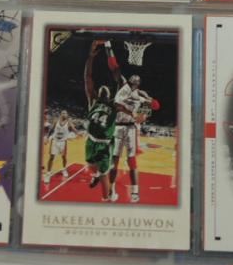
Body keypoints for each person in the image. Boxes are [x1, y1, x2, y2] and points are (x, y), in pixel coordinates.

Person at [105, 41, 157, 203]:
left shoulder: (141, 94)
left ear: (139, 82)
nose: (134, 77)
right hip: (118, 127)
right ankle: (111, 189)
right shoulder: (122, 84)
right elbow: (114, 67)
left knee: (131, 160)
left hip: (130, 129)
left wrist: (145, 112)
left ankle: (135, 191)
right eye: (132, 76)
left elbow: (156, 106)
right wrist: (108, 47)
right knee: (114, 161)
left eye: (137, 77)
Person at [81, 40, 116, 202]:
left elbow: (118, 79)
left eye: (106, 89)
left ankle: (107, 199)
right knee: (90, 166)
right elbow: (87, 78)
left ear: (109, 95)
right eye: (101, 88)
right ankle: (96, 174)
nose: (103, 88)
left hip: (104, 144)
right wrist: (90, 57)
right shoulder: (93, 101)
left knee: (104, 175)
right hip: (91, 141)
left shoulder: (114, 105)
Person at [43, 110, 79, 184]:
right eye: (63, 113)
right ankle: (48, 174)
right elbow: (51, 130)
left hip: (63, 142)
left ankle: (64, 169)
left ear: (67, 115)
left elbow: (73, 129)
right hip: (55, 141)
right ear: (61, 114)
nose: (64, 114)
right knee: (51, 157)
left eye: (66, 113)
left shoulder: (68, 122)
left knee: (64, 157)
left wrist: (78, 133)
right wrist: (47, 137)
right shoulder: (56, 121)